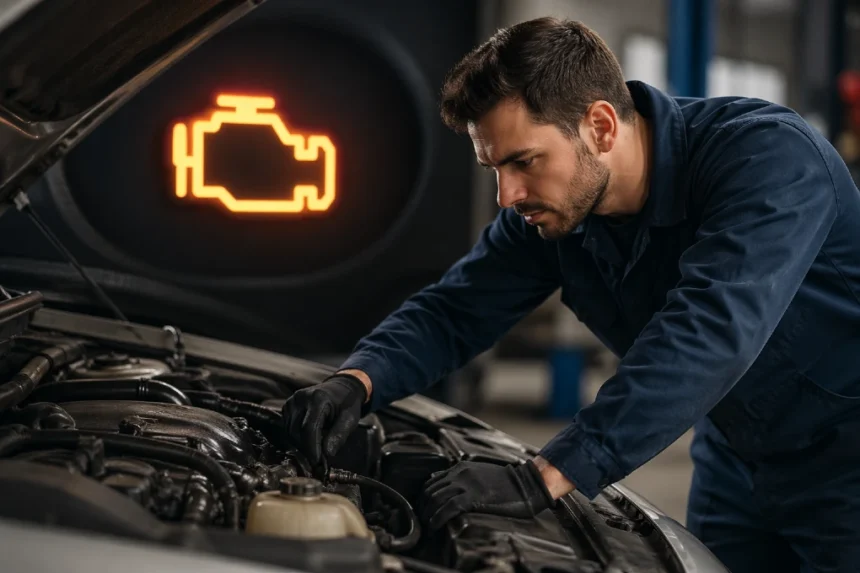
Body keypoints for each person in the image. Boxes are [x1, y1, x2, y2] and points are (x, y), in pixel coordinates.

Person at [282, 16, 860, 572]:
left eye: (524, 161)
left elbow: (710, 330)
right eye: (494, 168)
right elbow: (455, 309)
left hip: (846, 463)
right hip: (735, 459)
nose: (509, 195)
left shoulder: (767, 160)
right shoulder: (557, 212)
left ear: (601, 127)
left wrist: (548, 473)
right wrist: (358, 380)